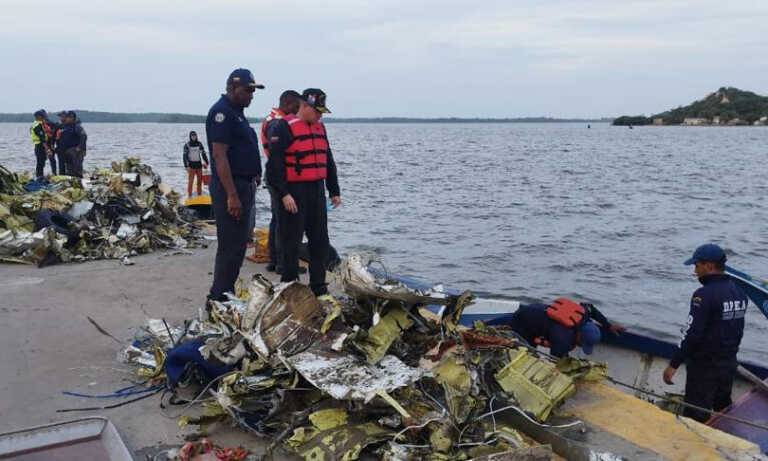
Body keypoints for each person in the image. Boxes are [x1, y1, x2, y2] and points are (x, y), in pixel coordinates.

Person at [266, 88, 341, 297]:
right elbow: (274, 167)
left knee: (320, 241)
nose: (319, 116)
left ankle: (318, 286)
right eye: (316, 111)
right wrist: (284, 194)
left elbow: (328, 160)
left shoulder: (320, 128)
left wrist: (334, 190)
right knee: (291, 242)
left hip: (316, 190)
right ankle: (289, 285)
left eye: (322, 112)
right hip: (293, 192)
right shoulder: (283, 127)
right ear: (305, 106)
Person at [663, 243, 747, 422]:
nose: (695, 271)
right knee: (722, 411)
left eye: (697, 265)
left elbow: (692, 333)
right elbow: (737, 330)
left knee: (695, 416)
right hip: (728, 364)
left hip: (704, 368)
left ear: (709, 266)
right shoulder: (740, 292)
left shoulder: (703, 295)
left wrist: (674, 364)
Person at [205, 68, 264, 305]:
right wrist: (232, 195)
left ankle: (226, 292)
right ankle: (218, 298)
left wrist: (255, 175)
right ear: (231, 88)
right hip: (231, 188)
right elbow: (220, 156)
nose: (251, 95)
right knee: (230, 246)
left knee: (239, 246)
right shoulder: (222, 113)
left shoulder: (237, 112)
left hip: (243, 185)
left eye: (253, 91)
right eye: (247, 90)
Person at [248, 90, 301, 270]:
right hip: (278, 174)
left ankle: (274, 260)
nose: (297, 111)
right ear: (288, 104)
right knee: (283, 220)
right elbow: (276, 153)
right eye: (296, 107)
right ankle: (282, 263)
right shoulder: (277, 123)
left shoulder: (272, 119)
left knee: (277, 219)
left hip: (274, 173)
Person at [487, 297, 625, 358]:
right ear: (579, 335)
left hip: (535, 308)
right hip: (522, 322)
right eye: (580, 343)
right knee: (526, 354)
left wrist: (608, 325)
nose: (578, 346)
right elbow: (556, 359)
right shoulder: (563, 338)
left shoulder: (584, 315)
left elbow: (592, 308)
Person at [57, 111, 87, 178]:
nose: (66, 119)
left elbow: (84, 136)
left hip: (75, 150)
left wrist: (80, 147)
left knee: (77, 167)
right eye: (66, 117)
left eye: (68, 117)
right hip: (66, 151)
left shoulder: (77, 127)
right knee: (69, 167)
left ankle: (79, 179)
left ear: (72, 118)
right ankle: (71, 179)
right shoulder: (65, 126)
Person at [183, 131, 209, 197]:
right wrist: (186, 166)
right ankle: (189, 196)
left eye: (195, 136)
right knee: (190, 182)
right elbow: (184, 156)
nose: (193, 137)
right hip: (191, 166)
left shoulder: (199, 144)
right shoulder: (187, 145)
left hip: (199, 165)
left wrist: (206, 162)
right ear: (190, 136)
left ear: (196, 136)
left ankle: (199, 195)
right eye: (192, 136)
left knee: (199, 182)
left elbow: (203, 154)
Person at [30, 110, 55, 178]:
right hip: (40, 146)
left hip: (38, 145)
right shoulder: (38, 125)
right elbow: (42, 138)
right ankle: (40, 177)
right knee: (40, 163)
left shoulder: (34, 124)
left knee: (40, 162)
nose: (43, 118)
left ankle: (39, 176)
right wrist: (47, 149)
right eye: (42, 116)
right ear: (38, 117)